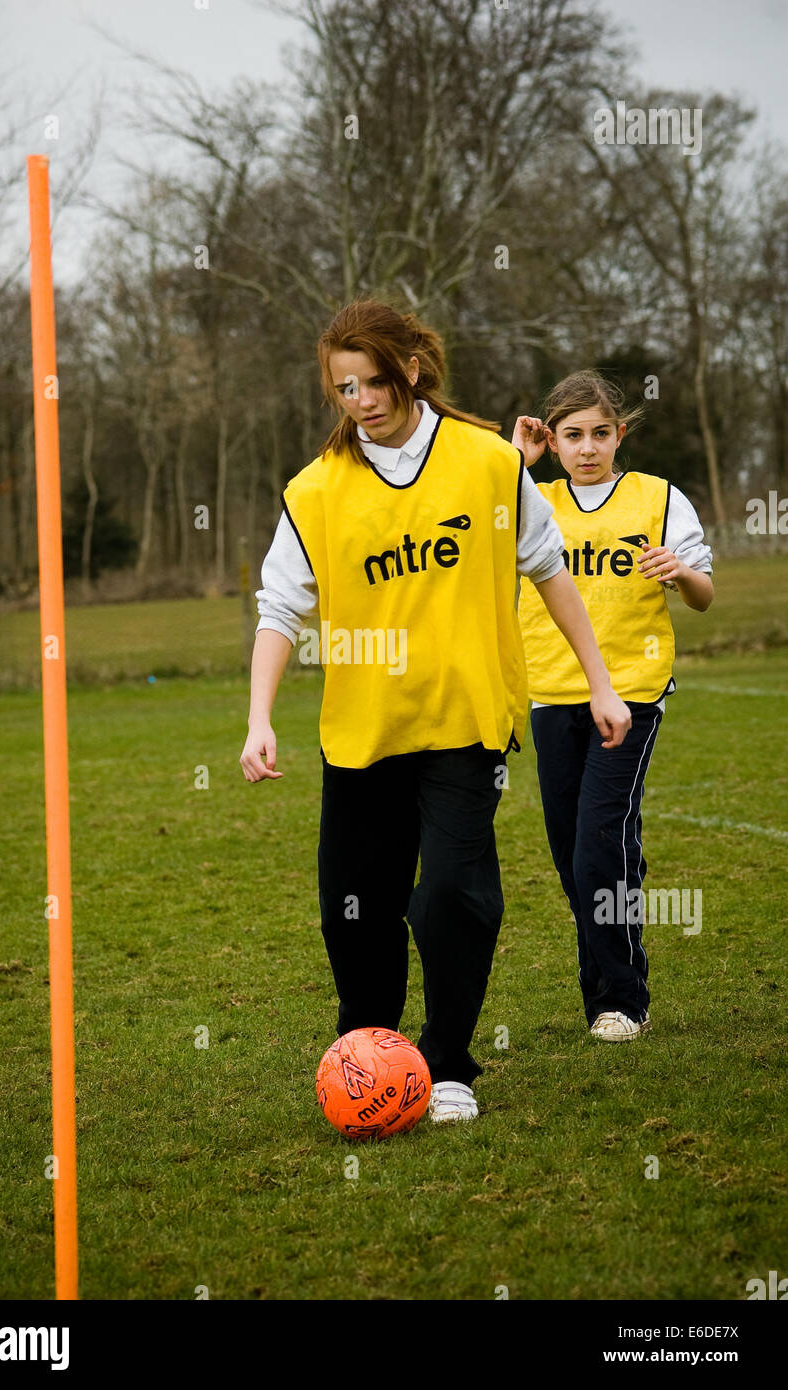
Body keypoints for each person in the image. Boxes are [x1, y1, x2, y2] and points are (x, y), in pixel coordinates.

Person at [240, 301, 631, 1123]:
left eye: (375, 380)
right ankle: (368, 1055)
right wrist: (259, 718)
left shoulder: (489, 464)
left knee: (452, 895)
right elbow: (280, 606)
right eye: (344, 387)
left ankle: (449, 1061)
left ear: (411, 370)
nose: (362, 400)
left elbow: (549, 571)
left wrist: (599, 683)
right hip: (363, 734)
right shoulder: (314, 490)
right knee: (354, 907)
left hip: (464, 723)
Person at [513, 370, 713, 1042]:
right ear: (553, 439)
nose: (589, 446)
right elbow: (465, 518)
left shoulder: (658, 499)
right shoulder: (528, 501)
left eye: (601, 432)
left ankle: (624, 999)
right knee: (574, 853)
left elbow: (705, 594)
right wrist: (516, 462)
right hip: (549, 693)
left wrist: (679, 573)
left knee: (600, 846)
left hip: (630, 693)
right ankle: (598, 994)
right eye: (572, 435)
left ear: (620, 433)